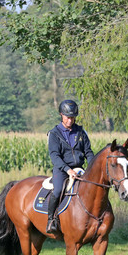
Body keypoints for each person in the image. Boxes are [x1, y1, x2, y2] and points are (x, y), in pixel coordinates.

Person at [46, 99, 95, 233]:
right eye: (68, 117)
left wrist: (92, 167)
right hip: (62, 170)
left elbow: (88, 152)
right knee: (56, 191)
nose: (70, 121)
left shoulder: (80, 132)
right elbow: (55, 156)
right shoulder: (54, 134)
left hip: (80, 169)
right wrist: (68, 170)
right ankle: (51, 220)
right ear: (61, 115)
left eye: (73, 118)